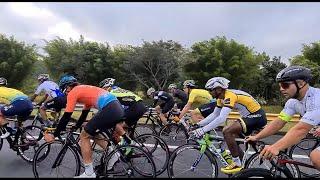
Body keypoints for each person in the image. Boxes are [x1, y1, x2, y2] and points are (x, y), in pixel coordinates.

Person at [44, 75, 125, 178]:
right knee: (91, 131)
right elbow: (84, 114)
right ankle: (112, 153)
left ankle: (89, 173)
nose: (65, 93)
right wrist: (77, 126)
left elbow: (66, 116)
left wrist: (55, 134)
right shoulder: (83, 90)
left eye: (64, 90)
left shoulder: (73, 92)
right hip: (116, 108)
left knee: (84, 136)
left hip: (110, 108)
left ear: (67, 87)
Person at [246, 66, 320, 170]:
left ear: (301, 84)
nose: (281, 89)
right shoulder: (292, 102)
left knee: (316, 157)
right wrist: (257, 137)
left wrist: (275, 147)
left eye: (285, 85)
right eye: (280, 86)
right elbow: (279, 122)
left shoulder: (316, 99)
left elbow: (301, 130)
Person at [190, 77, 267, 174]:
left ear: (218, 89)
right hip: (249, 117)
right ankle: (246, 168)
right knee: (233, 138)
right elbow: (214, 115)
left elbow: (222, 118)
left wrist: (202, 130)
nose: (209, 92)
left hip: (257, 116)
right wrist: (199, 124)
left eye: (210, 90)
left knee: (227, 131)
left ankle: (236, 163)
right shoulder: (220, 98)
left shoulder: (229, 96)